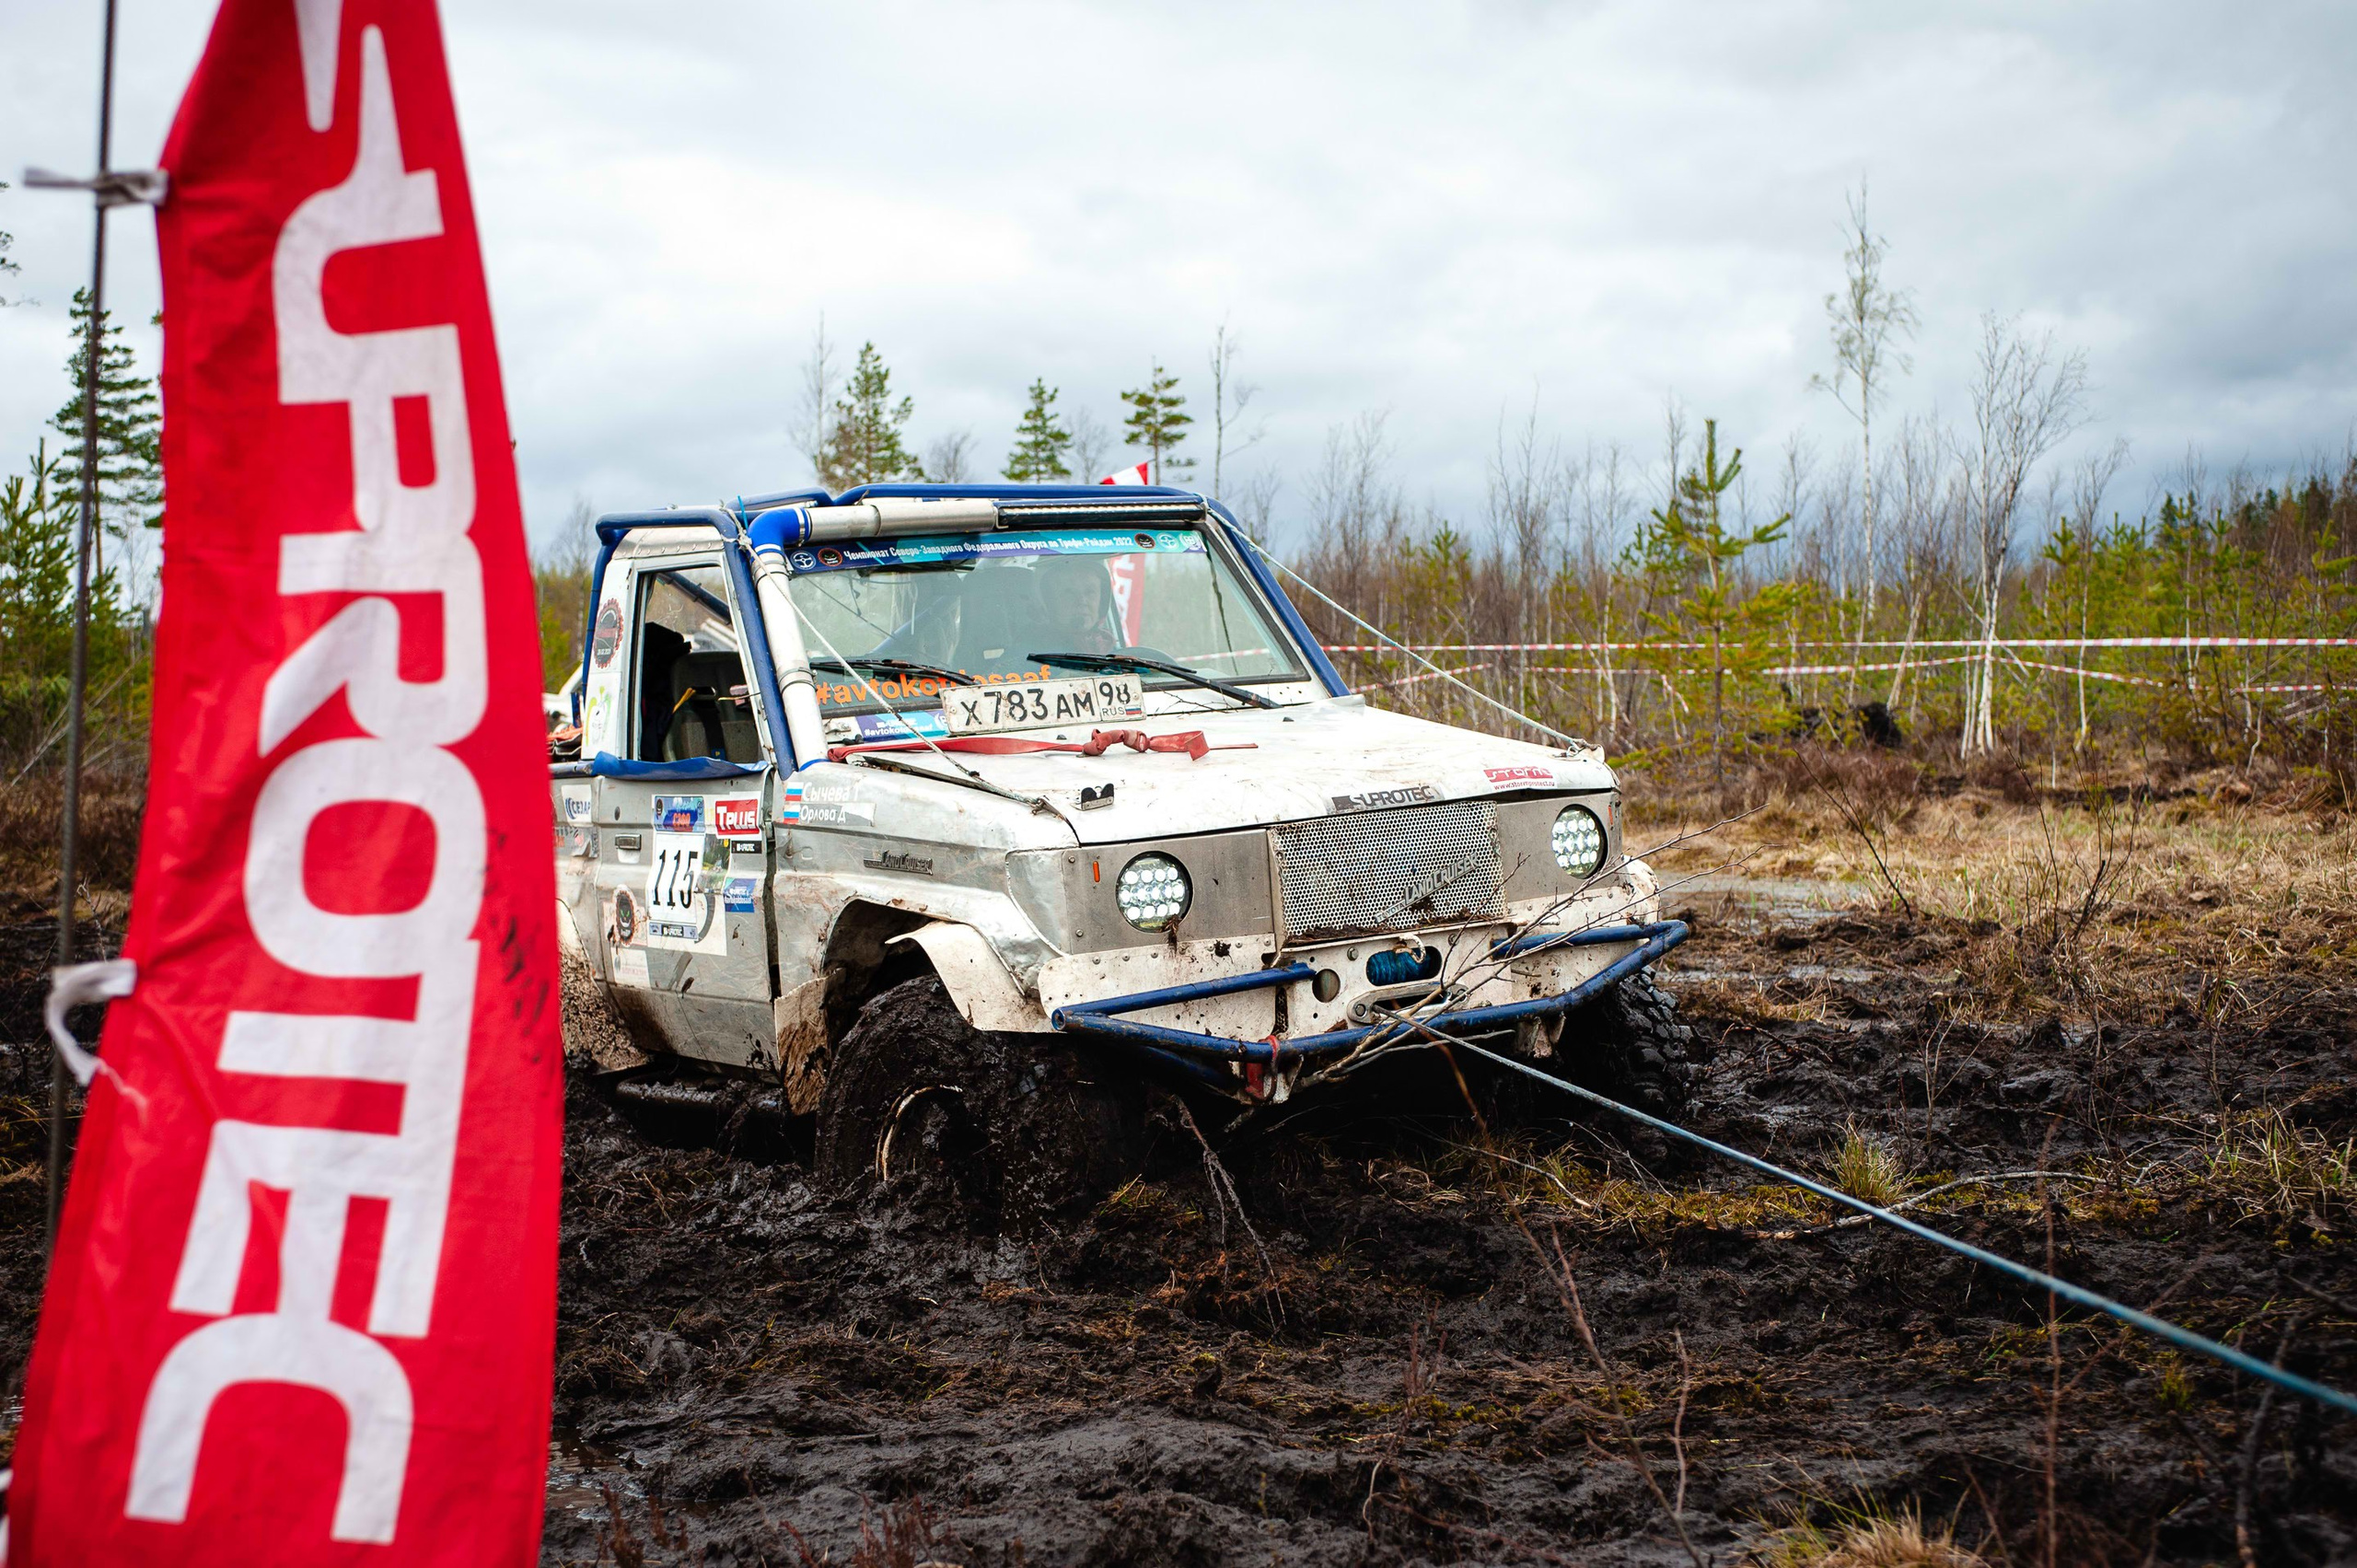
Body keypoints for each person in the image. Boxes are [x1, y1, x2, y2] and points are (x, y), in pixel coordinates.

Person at [1026, 552, 1123, 656]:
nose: (1082, 601)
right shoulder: (1028, 657)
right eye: (1069, 593)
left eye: (1090, 592)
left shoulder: (1115, 653)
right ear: (1047, 601)